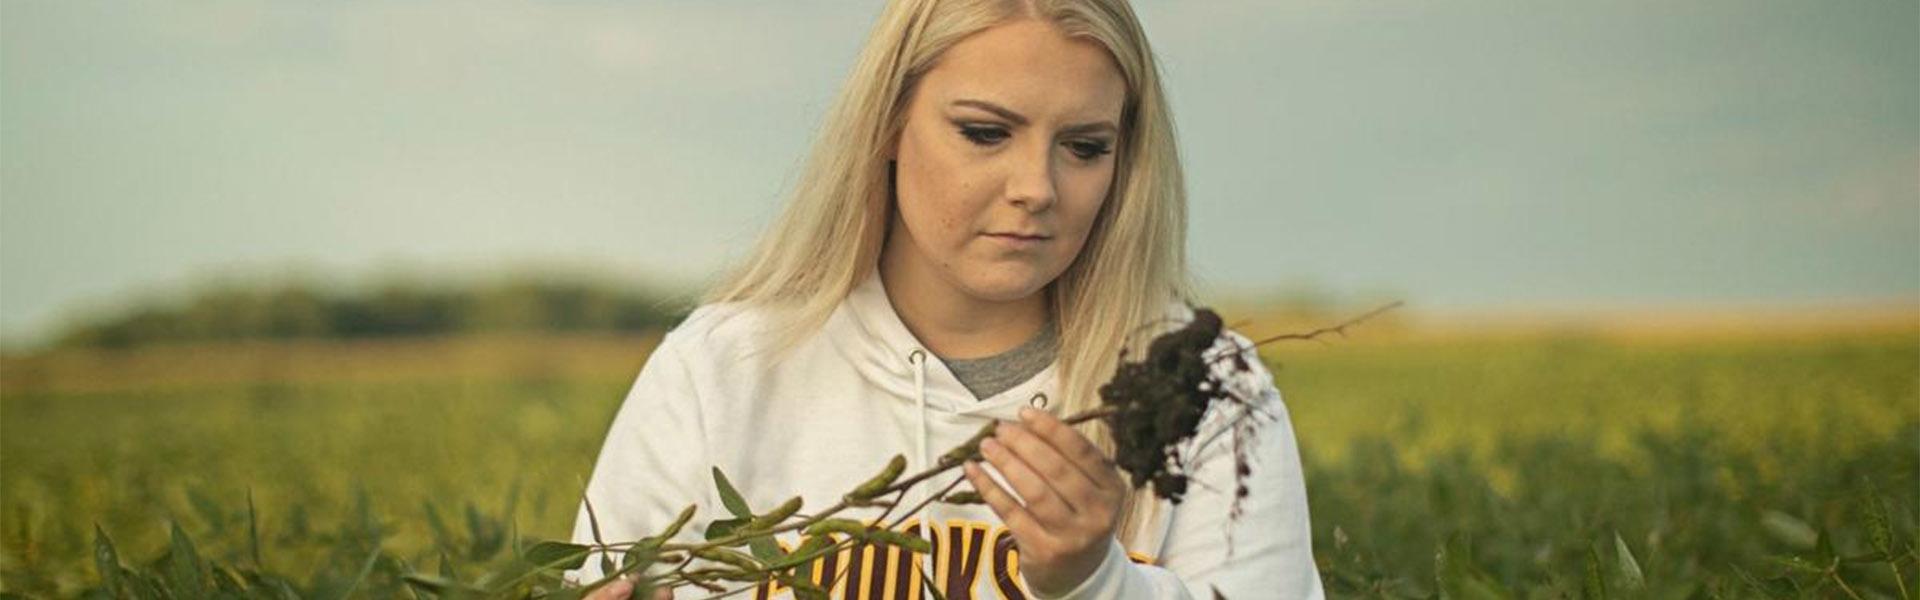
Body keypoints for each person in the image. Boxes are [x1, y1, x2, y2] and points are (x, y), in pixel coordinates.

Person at [568, 0, 1325, 598]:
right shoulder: (724, 372)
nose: (1037, 189)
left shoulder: (1199, 388)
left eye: (1085, 147)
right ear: (889, 121)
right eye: (986, 133)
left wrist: (1097, 583)